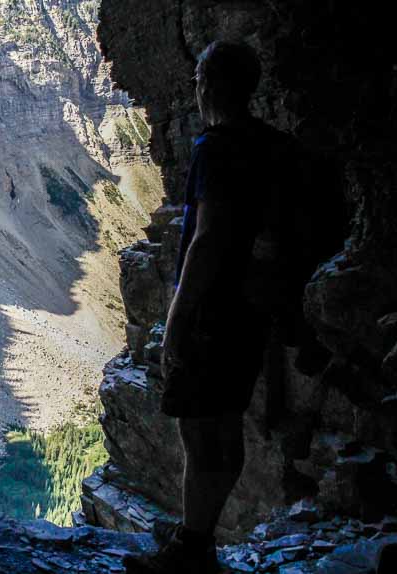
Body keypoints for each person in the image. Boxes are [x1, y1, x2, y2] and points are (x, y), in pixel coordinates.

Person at [139, 41, 297, 573]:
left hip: (213, 312)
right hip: (253, 311)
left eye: (200, 77)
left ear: (210, 83)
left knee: (199, 430)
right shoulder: (272, 144)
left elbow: (205, 241)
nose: (195, 87)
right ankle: (198, 531)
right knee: (225, 423)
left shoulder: (216, 147)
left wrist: (176, 323)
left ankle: (191, 550)